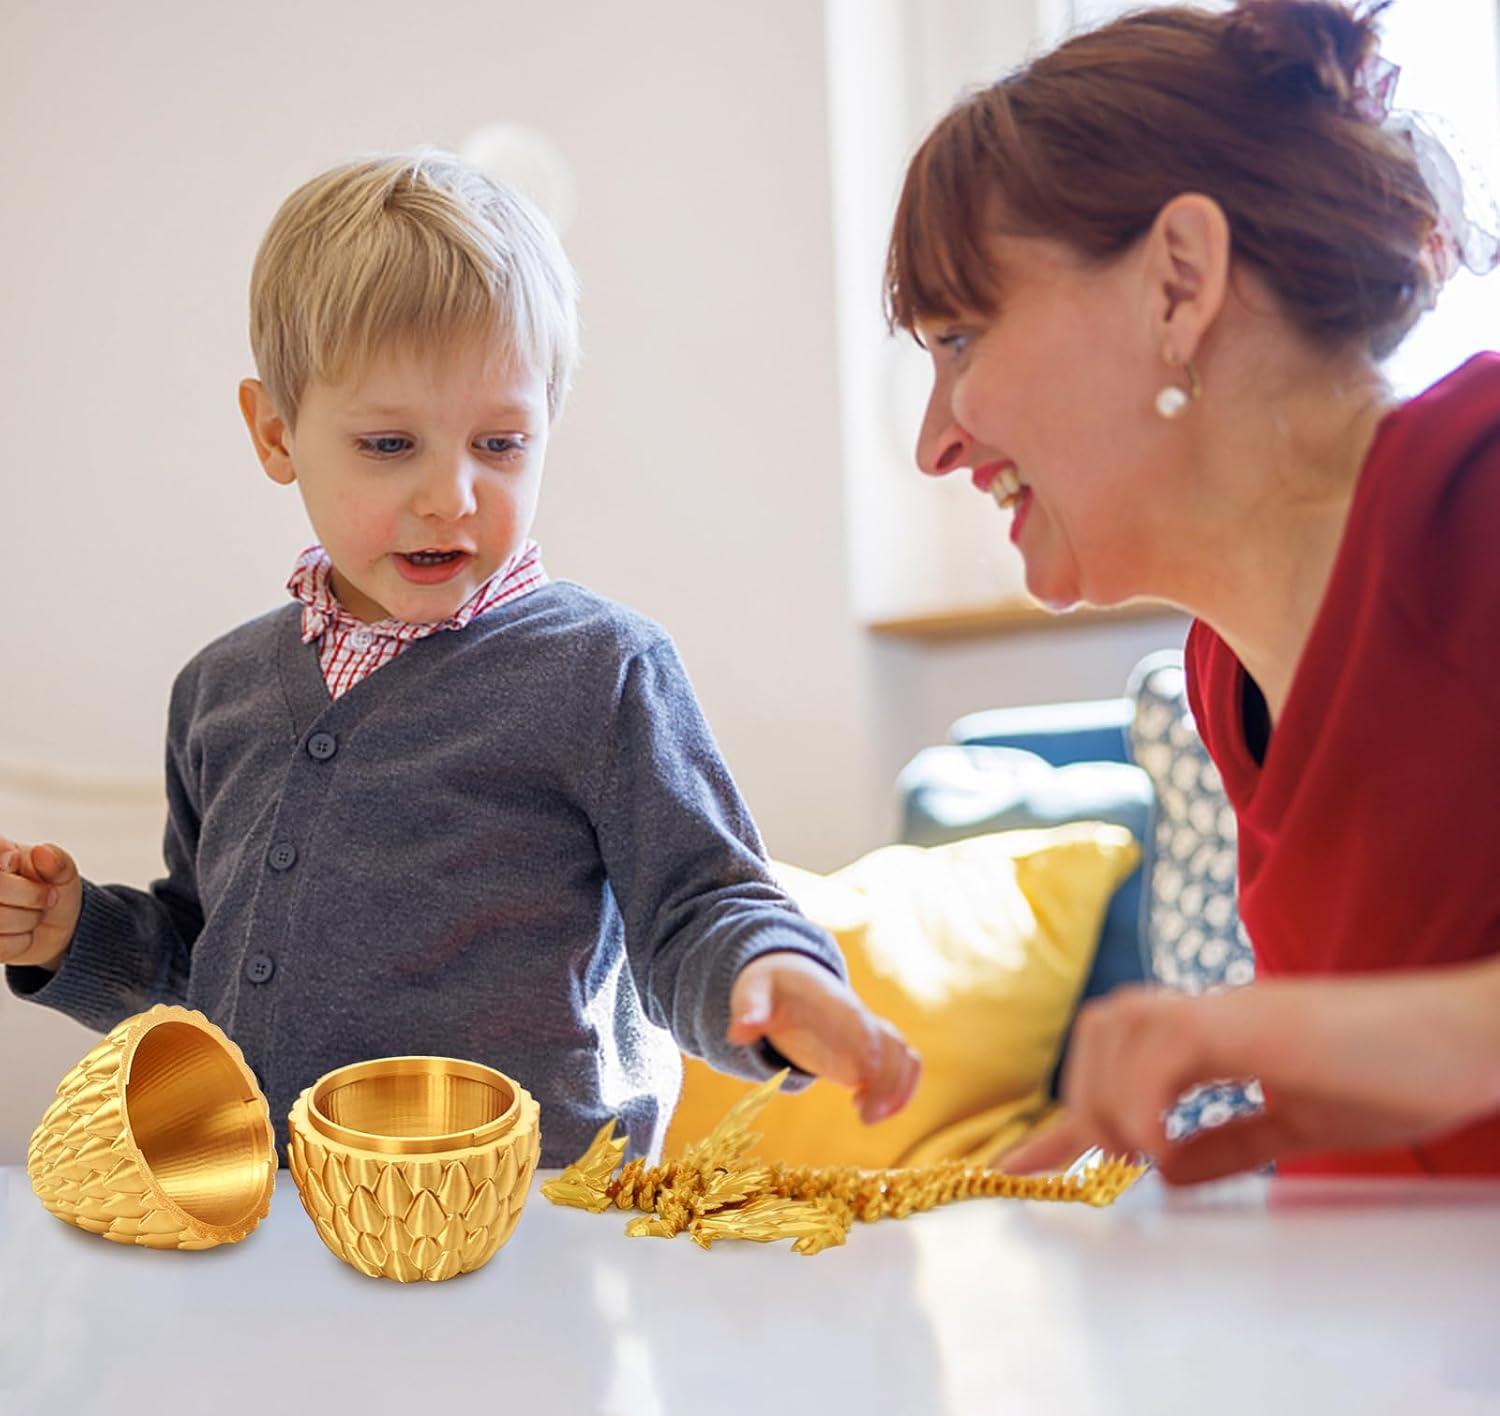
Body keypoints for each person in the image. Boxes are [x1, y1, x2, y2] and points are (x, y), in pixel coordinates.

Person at [0, 150, 919, 1167]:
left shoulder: (603, 670)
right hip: (270, 1236)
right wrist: (70, 933)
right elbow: (197, 964)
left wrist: (771, 973)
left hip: (537, 1239)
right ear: (275, 433)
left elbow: (700, 905)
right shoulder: (218, 693)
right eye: (390, 445)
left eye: (501, 444)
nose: (453, 496)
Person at [884, 0, 1500, 1180]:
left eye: (961, 337)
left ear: (1177, 282)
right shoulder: (1226, 675)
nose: (936, 444)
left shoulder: (1478, 486)